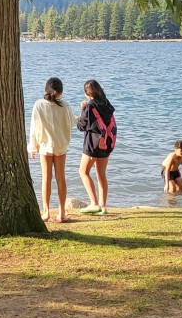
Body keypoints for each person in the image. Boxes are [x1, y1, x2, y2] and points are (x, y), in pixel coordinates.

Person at [28, 77, 77, 223]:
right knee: (60, 178)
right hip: (60, 145)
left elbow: (34, 128)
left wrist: (33, 147)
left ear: (45, 89)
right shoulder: (65, 106)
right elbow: (72, 122)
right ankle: (62, 213)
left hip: (45, 146)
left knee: (46, 179)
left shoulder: (39, 105)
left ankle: (46, 212)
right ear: (60, 92)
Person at [77, 79, 116, 214]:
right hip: (106, 143)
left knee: (83, 172)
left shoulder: (90, 106)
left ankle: (94, 203)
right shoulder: (106, 103)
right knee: (101, 174)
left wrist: (83, 110)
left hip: (93, 144)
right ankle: (103, 206)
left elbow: (81, 126)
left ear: (88, 93)